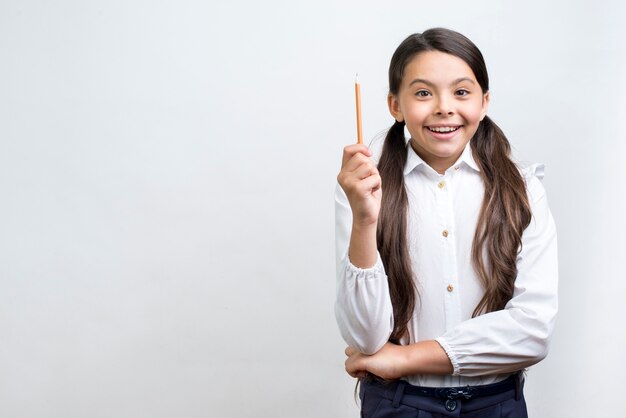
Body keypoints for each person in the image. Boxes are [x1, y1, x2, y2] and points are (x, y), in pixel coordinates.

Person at [334, 28, 558, 417]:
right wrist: (365, 221)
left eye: (461, 92)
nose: (443, 107)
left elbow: (533, 332)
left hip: (497, 404)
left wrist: (404, 359)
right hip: (399, 405)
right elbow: (366, 339)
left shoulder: (522, 189)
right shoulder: (364, 187)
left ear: (484, 102)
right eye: (422, 93)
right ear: (395, 105)